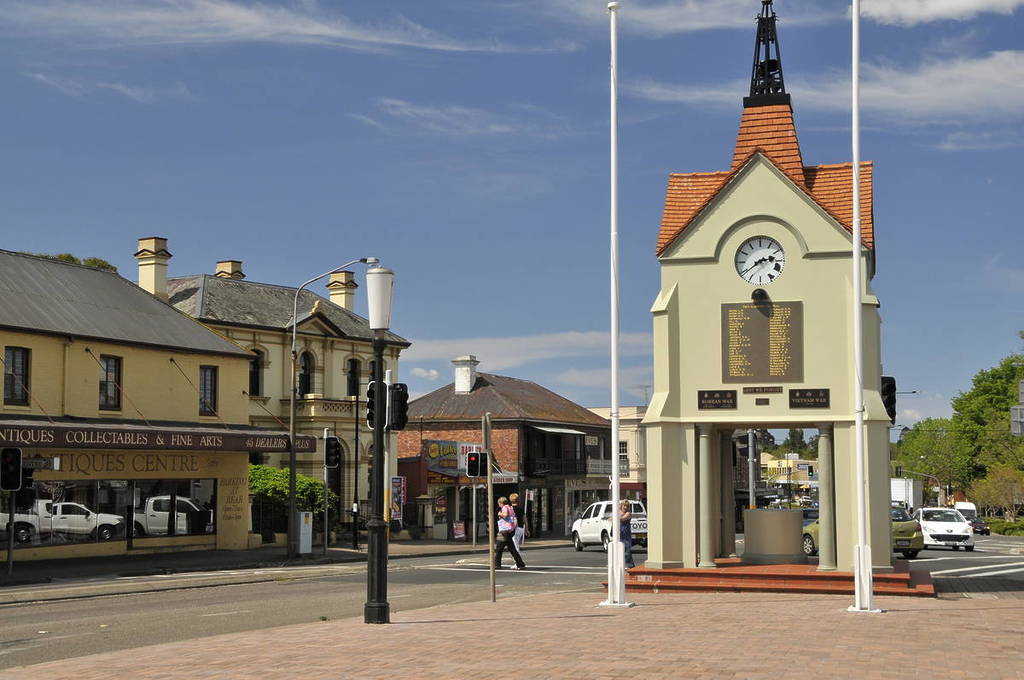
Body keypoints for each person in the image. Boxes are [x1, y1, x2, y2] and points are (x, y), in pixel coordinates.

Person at [494, 496, 526, 570]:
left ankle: (497, 564)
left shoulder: (505, 507)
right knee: (512, 548)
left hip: (503, 531)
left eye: (499, 503)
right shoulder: (510, 508)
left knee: (499, 548)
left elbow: (504, 515)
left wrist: (499, 514)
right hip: (510, 530)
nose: (499, 505)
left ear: (501, 503)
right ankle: (520, 563)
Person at [619, 499, 635, 569]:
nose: (625, 507)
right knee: (619, 550)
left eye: (627, 506)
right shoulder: (618, 512)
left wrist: (616, 516)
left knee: (627, 550)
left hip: (626, 533)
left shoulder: (628, 513)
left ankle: (631, 566)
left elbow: (622, 519)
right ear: (621, 506)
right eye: (624, 505)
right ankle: (622, 565)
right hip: (619, 532)